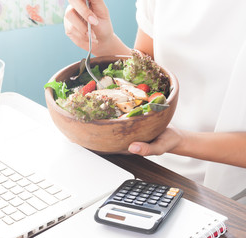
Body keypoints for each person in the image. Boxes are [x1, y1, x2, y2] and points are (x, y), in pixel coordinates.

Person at [64, 0, 246, 203]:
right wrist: (104, 41)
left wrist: (178, 141)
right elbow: (149, 70)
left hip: (227, 194)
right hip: (147, 167)